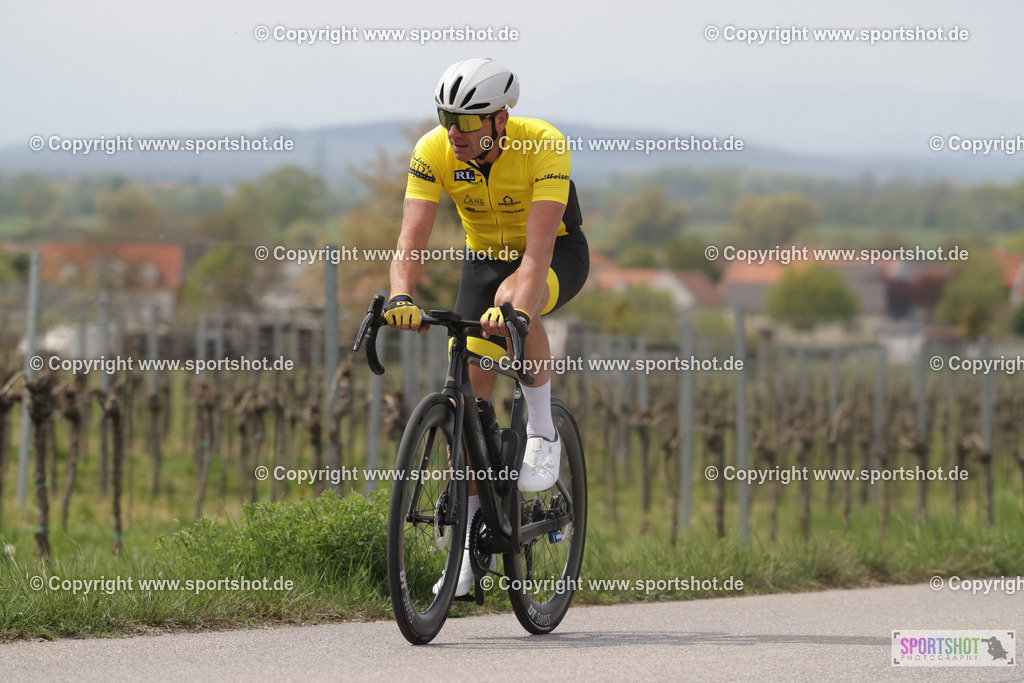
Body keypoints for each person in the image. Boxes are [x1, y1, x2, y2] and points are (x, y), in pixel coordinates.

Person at [383, 57, 589, 595]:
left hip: (554, 254)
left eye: (469, 121)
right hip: (485, 258)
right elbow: (410, 240)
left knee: (516, 301)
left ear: (501, 118)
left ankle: (542, 429)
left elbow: (539, 250)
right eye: (446, 117)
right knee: (468, 406)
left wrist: (517, 307)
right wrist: (402, 295)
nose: (454, 132)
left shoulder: (542, 144)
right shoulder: (434, 151)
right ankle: (471, 553)